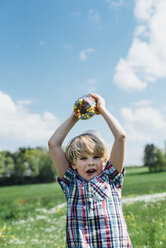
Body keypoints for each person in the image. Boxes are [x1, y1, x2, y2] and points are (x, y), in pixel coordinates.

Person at [48, 93, 132, 248]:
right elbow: (54, 144)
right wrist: (76, 115)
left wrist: (103, 110)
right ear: (73, 164)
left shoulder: (111, 177)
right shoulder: (71, 181)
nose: (91, 162)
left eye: (96, 156)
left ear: (104, 160)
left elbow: (121, 137)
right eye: (83, 158)